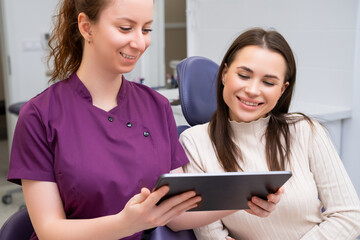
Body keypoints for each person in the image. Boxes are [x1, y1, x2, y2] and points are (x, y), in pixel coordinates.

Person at [6, 1, 283, 240]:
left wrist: (244, 199)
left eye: (146, 29)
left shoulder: (156, 106)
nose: (139, 42)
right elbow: (49, 230)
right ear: (86, 27)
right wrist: (124, 224)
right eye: (125, 28)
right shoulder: (40, 115)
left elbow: (176, 214)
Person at [180, 27, 360, 240]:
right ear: (225, 74)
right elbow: (211, 235)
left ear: (282, 90)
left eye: (268, 82)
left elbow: (349, 215)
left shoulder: (305, 130)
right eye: (244, 75)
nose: (253, 90)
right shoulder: (195, 142)